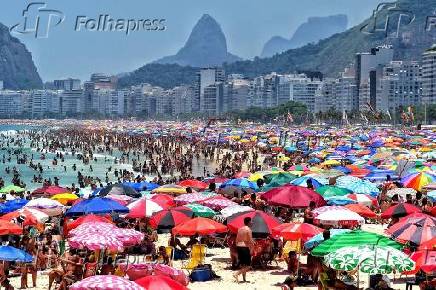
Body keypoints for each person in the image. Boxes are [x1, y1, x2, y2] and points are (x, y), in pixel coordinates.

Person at [233, 217, 254, 283]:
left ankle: (244, 279)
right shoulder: (248, 230)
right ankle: (236, 274)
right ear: (249, 222)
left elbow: (236, 240)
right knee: (248, 266)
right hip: (245, 247)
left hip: (239, 246)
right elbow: (251, 241)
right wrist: (252, 249)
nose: (252, 223)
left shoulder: (240, 229)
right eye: (251, 221)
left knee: (243, 265)